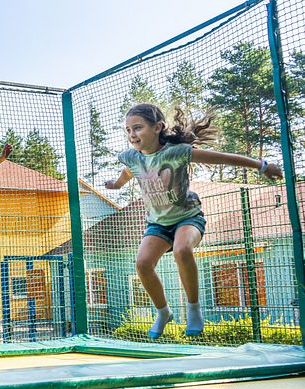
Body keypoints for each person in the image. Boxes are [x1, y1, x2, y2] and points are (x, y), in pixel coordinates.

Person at [105, 103, 282, 338]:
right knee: (142, 264)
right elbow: (130, 170)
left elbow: (222, 159)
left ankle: (194, 310)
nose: (132, 135)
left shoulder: (176, 153)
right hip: (158, 223)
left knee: (182, 250)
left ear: (157, 127)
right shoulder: (131, 157)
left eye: (137, 128)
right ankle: (163, 312)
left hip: (188, 217)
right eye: (127, 130)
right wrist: (117, 185)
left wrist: (261, 166)